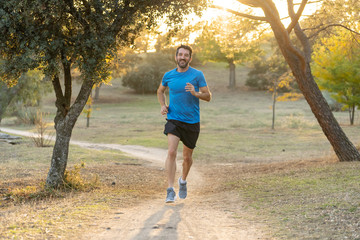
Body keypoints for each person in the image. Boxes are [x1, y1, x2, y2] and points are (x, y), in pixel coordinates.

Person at [157, 45, 212, 203]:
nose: (182, 57)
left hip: (192, 121)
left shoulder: (197, 75)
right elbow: (160, 91)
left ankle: (183, 180)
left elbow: (208, 96)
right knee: (172, 152)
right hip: (174, 119)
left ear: (190, 58)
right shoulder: (168, 75)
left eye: (186, 55)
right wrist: (163, 105)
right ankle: (169, 189)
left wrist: (196, 93)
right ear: (176, 57)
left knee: (187, 158)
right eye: (180, 55)